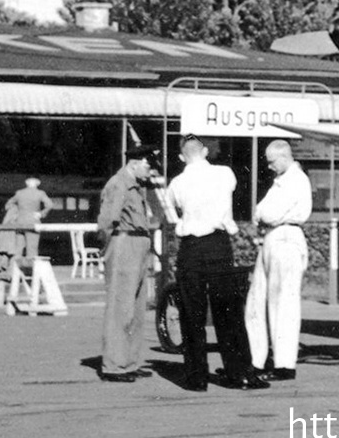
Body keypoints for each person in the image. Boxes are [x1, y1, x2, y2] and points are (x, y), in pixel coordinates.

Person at [163, 135, 267, 392]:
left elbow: (171, 210)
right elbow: (231, 190)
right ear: (206, 151)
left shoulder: (176, 183)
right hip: (219, 246)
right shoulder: (224, 174)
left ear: (180, 157)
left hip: (191, 249)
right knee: (229, 312)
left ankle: (196, 377)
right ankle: (240, 373)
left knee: (192, 314)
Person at [245, 140, 312, 381]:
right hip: (273, 239)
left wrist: (261, 215)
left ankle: (284, 364)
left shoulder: (295, 180)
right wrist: (261, 215)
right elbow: (261, 212)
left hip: (286, 238)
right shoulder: (281, 182)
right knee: (258, 300)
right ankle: (257, 359)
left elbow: (268, 213)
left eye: (272, 162)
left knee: (283, 302)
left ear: (284, 157)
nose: (270, 167)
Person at [96, 148, 162, 383]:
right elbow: (107, 221)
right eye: (147, 166)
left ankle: (129, 361)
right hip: (124, 242)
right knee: (120, 306)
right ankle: (114, 365)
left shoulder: (136, 185)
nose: (150, 171)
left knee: (135, 307)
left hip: (138, 243)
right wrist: (108, 249)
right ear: (134, 163)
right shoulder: (119, 184)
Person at [4, 177, 53, 259]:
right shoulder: (40, 193)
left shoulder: (19, 193)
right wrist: (41, 214)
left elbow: (8, 205)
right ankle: (31, 270)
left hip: (20, 222)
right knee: (32, 249)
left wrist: (17, 213)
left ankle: (16, 270)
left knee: (18, 249)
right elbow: (50, 205)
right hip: (32, 222)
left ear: (26, 183)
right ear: (37, 184)